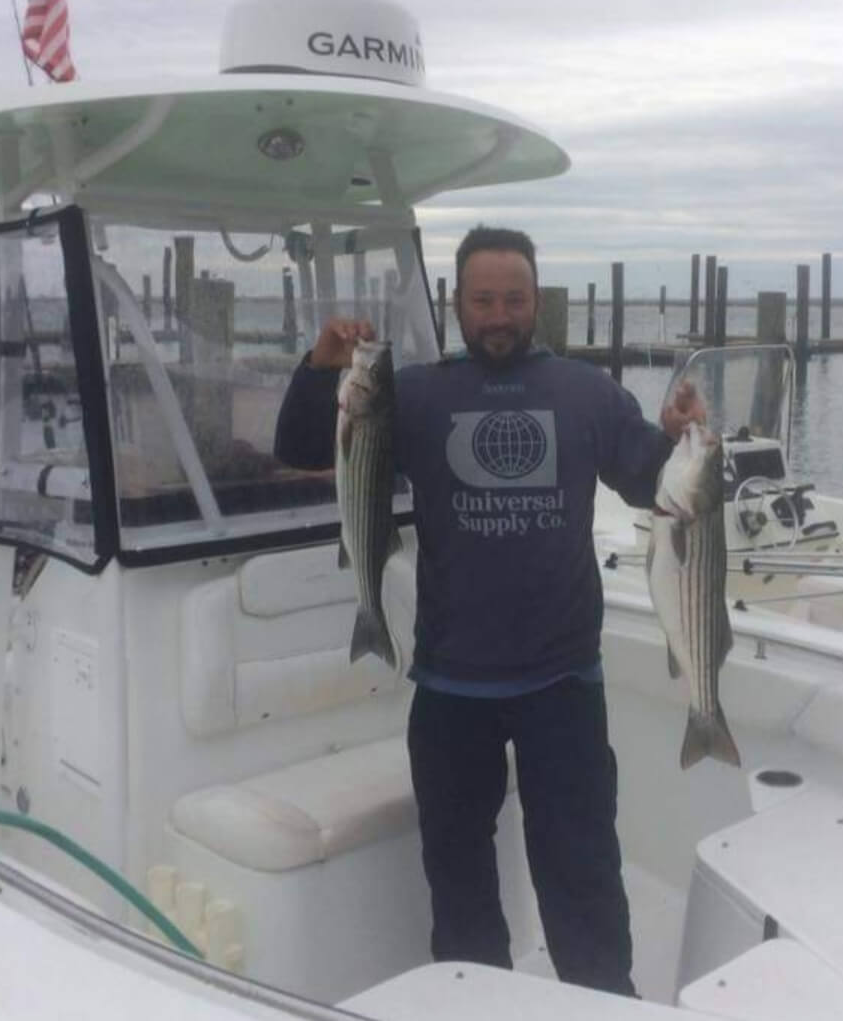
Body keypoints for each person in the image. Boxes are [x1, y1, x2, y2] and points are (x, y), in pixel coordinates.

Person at [274, 225, 701, 996]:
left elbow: (652, 483)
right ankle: (478, 1006)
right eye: (482, 300)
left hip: (563, 683)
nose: (498, 314)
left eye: (514, 298)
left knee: (583, 880)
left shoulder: (586, 392)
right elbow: (299, 442)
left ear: (537, 300)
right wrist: (320, 367)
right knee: (461, 884)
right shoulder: (418, 393)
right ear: (457, 303)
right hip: (451, 687)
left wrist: (679, 438)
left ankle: (604, 1006)